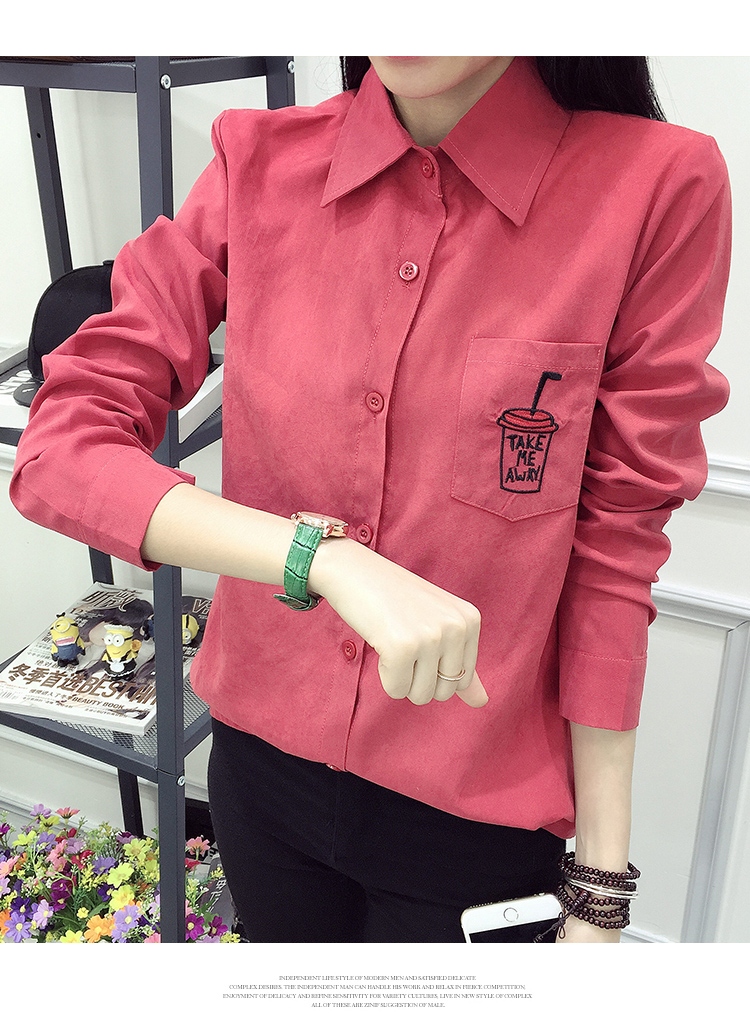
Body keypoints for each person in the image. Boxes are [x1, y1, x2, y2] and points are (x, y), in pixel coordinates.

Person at [10, 56, 731, 943]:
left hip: (476, 823)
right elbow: (61, 448)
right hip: (260, 784)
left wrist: (600, 889)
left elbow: (615, 549)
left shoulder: (654, 187)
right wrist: (323, 559)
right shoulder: (254, 161)